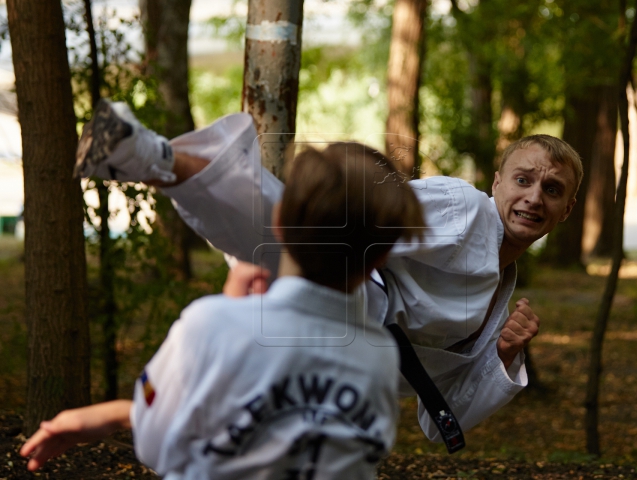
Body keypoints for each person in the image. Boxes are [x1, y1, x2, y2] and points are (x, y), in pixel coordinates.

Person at [71, 100, 582, 442]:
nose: (534, 197)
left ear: (567, 210)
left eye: (552, 189)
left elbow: (439, 420)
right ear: (497, 183)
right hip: (348, 293)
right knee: (283, 222)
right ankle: (147, 155)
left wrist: (503, 352)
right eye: (523, 179)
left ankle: (149, 156)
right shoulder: (464, 208)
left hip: (350, 366)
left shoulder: (500, 298)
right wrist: (319, 223)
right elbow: (375, 217)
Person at [21, 139, 427, 478]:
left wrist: (227, 310)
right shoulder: (377, 355)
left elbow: (157, 446)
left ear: (279, 221)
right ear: (379, 259)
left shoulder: (210, 325)